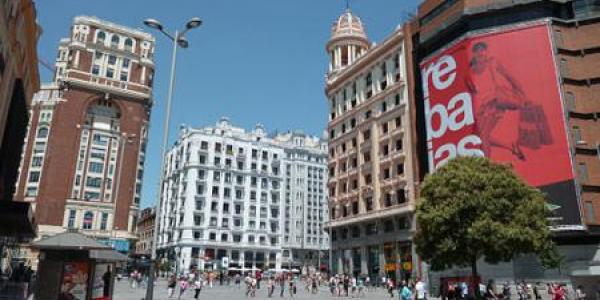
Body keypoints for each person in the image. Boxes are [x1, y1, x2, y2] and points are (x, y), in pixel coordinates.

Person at [466, 41, 551, 161]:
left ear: (486, 51)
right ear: (473, 54)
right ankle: (511, 147)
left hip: (496, 103)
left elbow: (510, 77)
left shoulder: (493, 62)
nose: (481, 52)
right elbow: (472, 93)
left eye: (483, 49)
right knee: (479, 135)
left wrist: (524, 96)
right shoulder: (470, 72)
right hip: (482, 107)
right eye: (477, 50)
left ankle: (486, 165)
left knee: (483, 136)